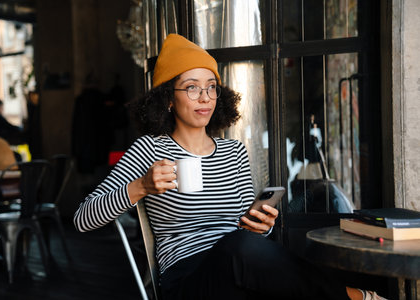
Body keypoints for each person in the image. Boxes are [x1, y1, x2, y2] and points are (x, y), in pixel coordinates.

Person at [74, 34, 386, 300]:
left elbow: (247, 236)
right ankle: (351, 296)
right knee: (238, 250)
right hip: (186, 280)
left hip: (238, 271)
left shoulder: (233, 152)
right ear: (168, 98)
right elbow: (83, 219)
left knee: (243, 249)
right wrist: (140, 186)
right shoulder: (150, 149)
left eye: (211, 87)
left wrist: (259, 226)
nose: (205, 97)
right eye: (192, 87)